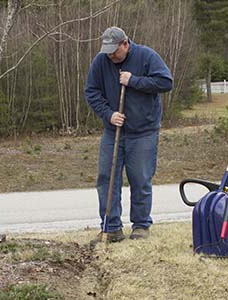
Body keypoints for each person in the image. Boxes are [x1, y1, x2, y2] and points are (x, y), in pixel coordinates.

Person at [85, 26, 173, 242]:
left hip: (143, 131)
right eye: (107, 52)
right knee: (106, 178)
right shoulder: (101, 61)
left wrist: (134, 81)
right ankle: (111, 227)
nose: (111, 56)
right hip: (113, 131)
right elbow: (92, 92)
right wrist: (109, 114)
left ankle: (141, 225)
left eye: (115, 51)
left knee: (140, 178)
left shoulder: (147, 56)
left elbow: (165, 82)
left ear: (125, 44)